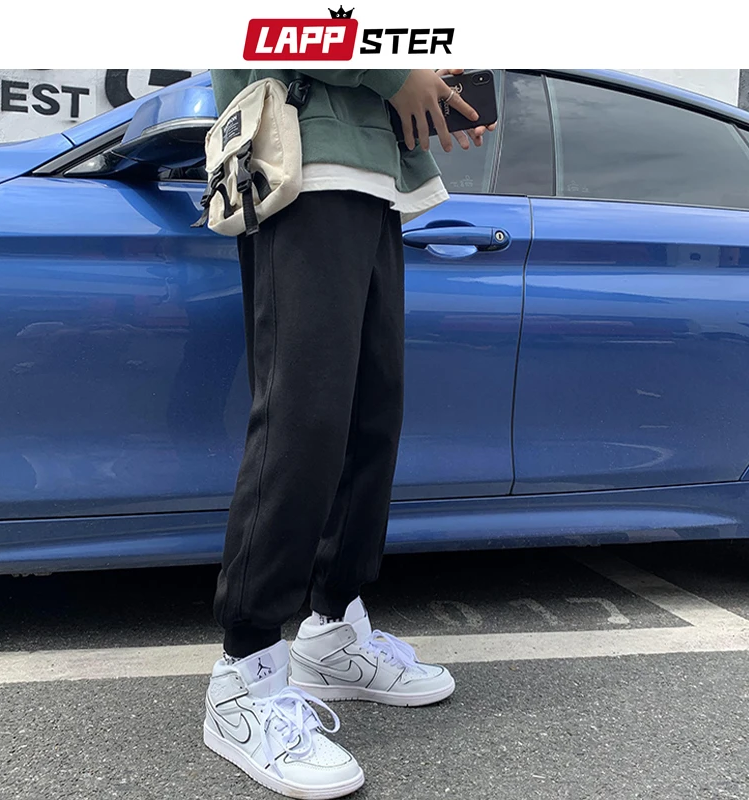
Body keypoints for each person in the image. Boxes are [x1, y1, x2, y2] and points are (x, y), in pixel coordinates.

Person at [204, 69, 496, 799]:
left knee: (370, 416)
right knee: (303, 417)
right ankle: (244, 678)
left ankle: (333, 630)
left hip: (376, 176)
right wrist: (395, 73)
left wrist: (433, 86)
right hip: (302, 161)